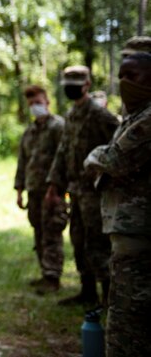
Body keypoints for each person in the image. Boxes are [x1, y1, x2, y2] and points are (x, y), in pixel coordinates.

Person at [85, 36, 151, 356]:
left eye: (132, 75)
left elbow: (114, 161)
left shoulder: (148, 118)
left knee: (127, 323)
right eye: (121, 75)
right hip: (130, 230)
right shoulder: (135, 115)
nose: (125, 82)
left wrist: (97, 156)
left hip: (140, 232)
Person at [45, 65, 118, 306]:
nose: (71, 91)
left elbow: (119, 151)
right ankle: (87, 291)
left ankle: (109, 296)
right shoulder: (71, 115)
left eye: (75, 87)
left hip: (96, 192)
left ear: (87, 85)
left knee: (98, 242)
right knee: (78, 240)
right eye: (68, 87)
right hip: (75, 191)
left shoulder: (101, 116)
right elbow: (63, 150)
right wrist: (54, 185)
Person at [13, 85, 66, 294]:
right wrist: (19, 190)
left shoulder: (58, 127)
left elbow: (63, 159)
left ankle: (53, 277)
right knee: (38, 230)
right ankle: (45, 272)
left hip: (52, 191)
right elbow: (22, 162)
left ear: (47, 102)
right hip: (33, 190)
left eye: (38, 102)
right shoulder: (29, 131)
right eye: (31, 104)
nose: (35, 107)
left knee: (51, 232)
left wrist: (56, 188)